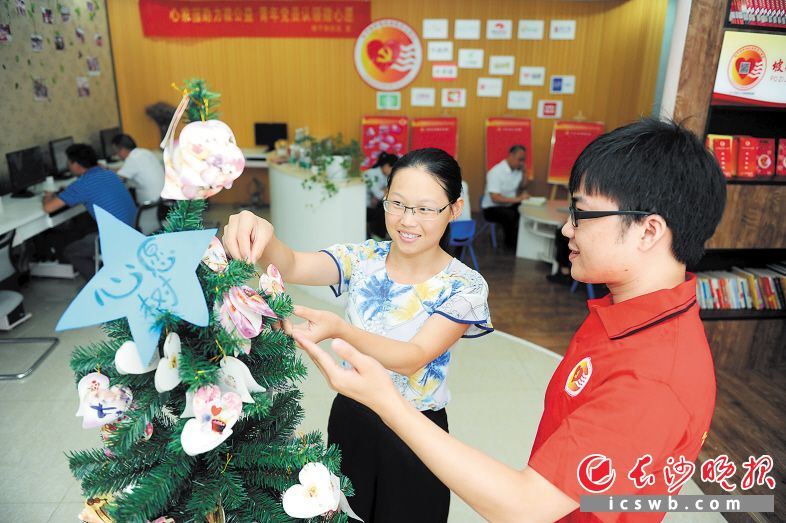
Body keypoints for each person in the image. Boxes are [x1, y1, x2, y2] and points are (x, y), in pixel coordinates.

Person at [294, 119, 727, 522]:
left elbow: (527, 505)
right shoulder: (626, 316)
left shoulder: (652, 380)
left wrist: (388, 402)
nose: (566, 229)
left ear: (648, 231)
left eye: (582, 213)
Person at [222, 148, 493, 522]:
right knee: (344, 515)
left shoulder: (464, 286)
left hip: (418, 431)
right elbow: (294, 264)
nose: (407, 220)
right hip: (352, 416)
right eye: (396, 203)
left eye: (426, 208)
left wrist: (341, 330)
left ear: (454, 208)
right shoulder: (363, 258)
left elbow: (414, 355)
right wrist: (258, 229)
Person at [43, 143, 137, 278]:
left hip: (116, 238)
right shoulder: (109, 174)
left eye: (69, 162)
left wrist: (47, 195)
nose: (68, 166)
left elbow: (48, 208)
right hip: (134, 230)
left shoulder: (82, 184)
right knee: (84, 229)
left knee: (71, 251)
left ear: (75, 164)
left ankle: (105, 282)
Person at [481, 144, 530, 251]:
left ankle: (522, 240)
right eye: (520, 159)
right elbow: (495, 198)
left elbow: (523, 186)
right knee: (510, 215)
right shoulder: (496, 172)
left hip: (509, 203)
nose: (522, 163)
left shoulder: (518, 170)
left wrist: (525, 172)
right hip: (492, 208)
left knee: (526, 210)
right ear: (511, 156)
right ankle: (511, 244)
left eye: (523, 160)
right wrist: (518, 199)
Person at [110, 133, 165, 204]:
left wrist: (105, 172)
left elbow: (117, 180)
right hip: (165, 200)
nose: (117, 155)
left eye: (116, 152)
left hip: (152, 205)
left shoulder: (132, 159)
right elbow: (128, 169)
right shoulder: (144, 152)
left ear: (122, 150)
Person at [364, 152, 398, 239]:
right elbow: (379, 195)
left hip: (374, 204)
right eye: (392, 169)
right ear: (386, 166)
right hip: (363, 208)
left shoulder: (384, 175)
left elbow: (386, 191)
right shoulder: (371, 174)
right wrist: (385, 191)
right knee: (382, 213)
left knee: (389, 208)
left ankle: (383, 235)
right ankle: (379, 237)